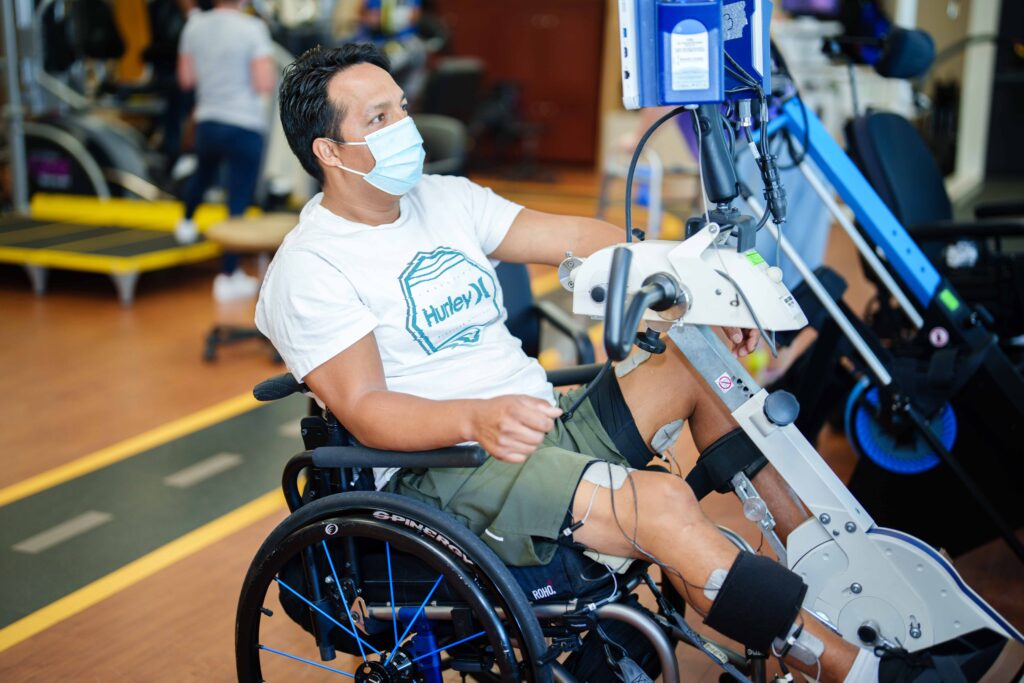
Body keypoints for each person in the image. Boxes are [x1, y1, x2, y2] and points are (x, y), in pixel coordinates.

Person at [255, 44, 1007, 682]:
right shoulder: (312, 265)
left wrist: (682, 288)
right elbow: (364, 407)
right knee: (663, 504)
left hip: (535, 427)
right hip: (448, 467)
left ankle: (816, 560)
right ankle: (856, 667)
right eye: (379, 120)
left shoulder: (442, 200)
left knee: (693, 356)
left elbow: (583, 234)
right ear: (328, 150)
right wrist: (474, 417)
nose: (405, 130)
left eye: (402, 109)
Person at [174, 0, 276, 301]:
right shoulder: (253, 28)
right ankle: (229, 275)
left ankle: (187, 222)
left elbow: (186, 80)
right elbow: (264, 83)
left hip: (207, 121)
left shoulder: (194, 26)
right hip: (244, 123)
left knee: (203, 172)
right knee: (238, 198)